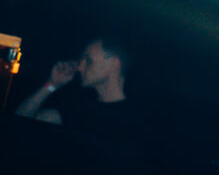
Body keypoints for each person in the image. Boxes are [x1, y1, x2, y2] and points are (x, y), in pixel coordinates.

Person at [14, 36, 142, 147]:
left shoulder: (137, 120)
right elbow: (18, 126)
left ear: (115, 64)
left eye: (88, 60)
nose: (80, 67)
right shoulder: (78, 106)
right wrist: (51, 85)